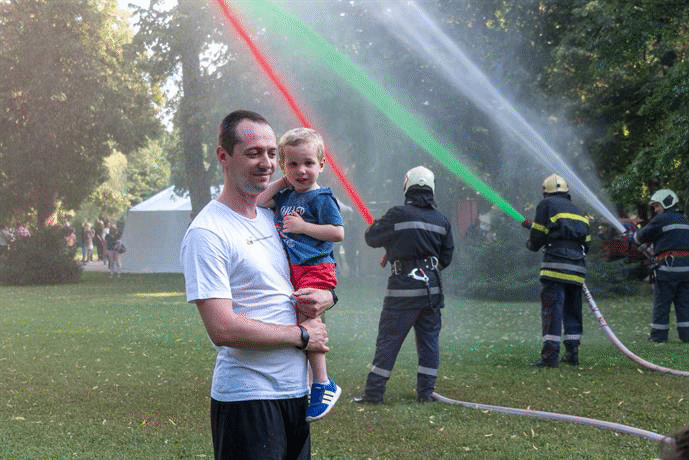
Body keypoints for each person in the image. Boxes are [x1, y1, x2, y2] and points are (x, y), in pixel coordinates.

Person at [180, 110, 334, 460]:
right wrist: (303, 336)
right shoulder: (208, 232)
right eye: (253, 153)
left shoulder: (274, 219)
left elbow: (301, 278)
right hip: (248, 398)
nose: (266, 163)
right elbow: (222, 328)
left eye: (269, 153)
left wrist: (327, 295)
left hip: (296, 394)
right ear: (223, 156)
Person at [257, 127, 344, 422]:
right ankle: (311, 381)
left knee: (307, 321)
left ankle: (323, 383)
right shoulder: (285, 196)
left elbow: (337, 233)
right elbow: (258, 202)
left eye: (308, 163)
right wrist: (282, 181)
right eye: (292, 164)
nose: (301, 170)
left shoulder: (322, 198)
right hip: (295, 270)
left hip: (316, 267)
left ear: (322, 164)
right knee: (300, 319)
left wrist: (303, 228)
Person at [354, 166, 454, 404]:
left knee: (389, 341)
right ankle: (426, 393)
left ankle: (374, 394)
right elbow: (446, 258)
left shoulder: (398, 214)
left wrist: (396, 248)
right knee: (429, 342)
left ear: (407, 186)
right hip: (432, 293)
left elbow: (371, 238)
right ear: (431, 188)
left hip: (402, 293)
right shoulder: (442, 221)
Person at [525, 174, 591, 368]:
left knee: (553, 310)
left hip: (555, 266)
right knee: (573, 310)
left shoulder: (545, 205)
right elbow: (587, 244)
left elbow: (537, 237)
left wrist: (531, 243)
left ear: (546, 191)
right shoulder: (577, 210)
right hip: (577, 268)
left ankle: (550, 357)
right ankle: (572, 353)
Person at [632, 189, 689, 343]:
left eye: (657, 206)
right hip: (686, 270)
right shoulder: (685, 219)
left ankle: (658, 336)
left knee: (662, 303)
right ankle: (687, 336)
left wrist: (632, 235)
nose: (656, 210)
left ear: (666, 203)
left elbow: (639, 238)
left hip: (668, 268)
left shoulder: (661, 219)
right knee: (684, 304)